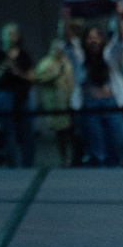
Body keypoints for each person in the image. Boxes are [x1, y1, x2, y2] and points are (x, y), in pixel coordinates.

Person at [63, 5, 123, 167]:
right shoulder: (80, 59)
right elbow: (69, 43)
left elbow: (121, 40)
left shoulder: (109, 56)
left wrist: (119, 16)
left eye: (96, 37)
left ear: (101, 40)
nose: (93, 41)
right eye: (89, 38)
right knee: (97, 153)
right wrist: (66, 19)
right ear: (85, 41)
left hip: (112, 106)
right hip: (91, 108)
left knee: (117, 148)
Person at [0, 23, 36, 167]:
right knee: (8, 134)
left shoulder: (24, 54)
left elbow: (32, 76)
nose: (11, 37)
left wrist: (18, 72)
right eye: (8, 34)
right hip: (5, 97)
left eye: (13, 33)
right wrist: (7, 62)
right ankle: (12, 167)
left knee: (27, 133)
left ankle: (28, 165)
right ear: (2, 37)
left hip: (23, 96)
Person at [34, 39, 75, 167]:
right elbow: (39, 78)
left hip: (68, 102)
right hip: (54, 104)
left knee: (71, 133)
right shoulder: (45, 63)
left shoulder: (66, 62)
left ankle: (73, 158)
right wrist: (55, 75)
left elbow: (72, 80)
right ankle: (63, 158)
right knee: (60, 133)